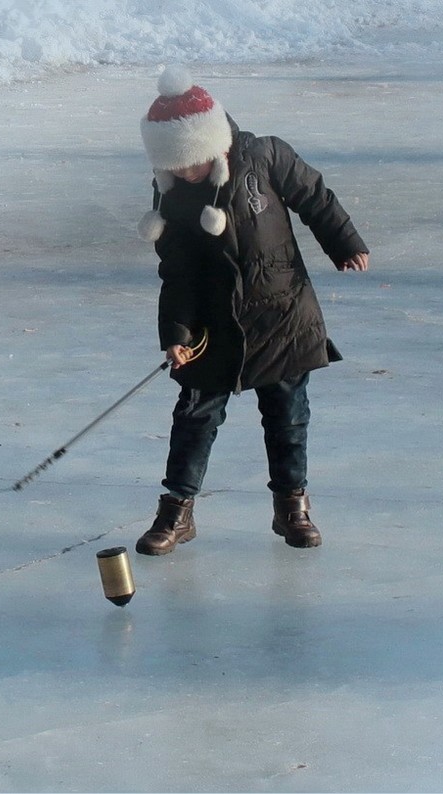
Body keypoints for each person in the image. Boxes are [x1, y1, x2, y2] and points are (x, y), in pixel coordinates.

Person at [134, 64, 369, 556]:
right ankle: (176, 512)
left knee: (288, 415)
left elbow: (314, 196)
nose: (183, 172)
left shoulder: (264, 155)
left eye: (189, 162)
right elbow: (176, 271)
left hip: (282, 313)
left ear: (210, 142)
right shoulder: (173, 195)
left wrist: (343, 241)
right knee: (195, 415)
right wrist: (176, 333)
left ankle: (292, 506)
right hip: (213, 326)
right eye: (173, 165)